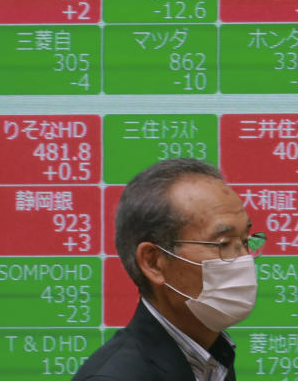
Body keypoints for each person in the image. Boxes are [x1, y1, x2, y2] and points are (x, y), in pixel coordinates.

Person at [73, 158, 264, 380]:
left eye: (245, 241)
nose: (244, 259)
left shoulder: (211, 357)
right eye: (223, 244)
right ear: (154, 263)